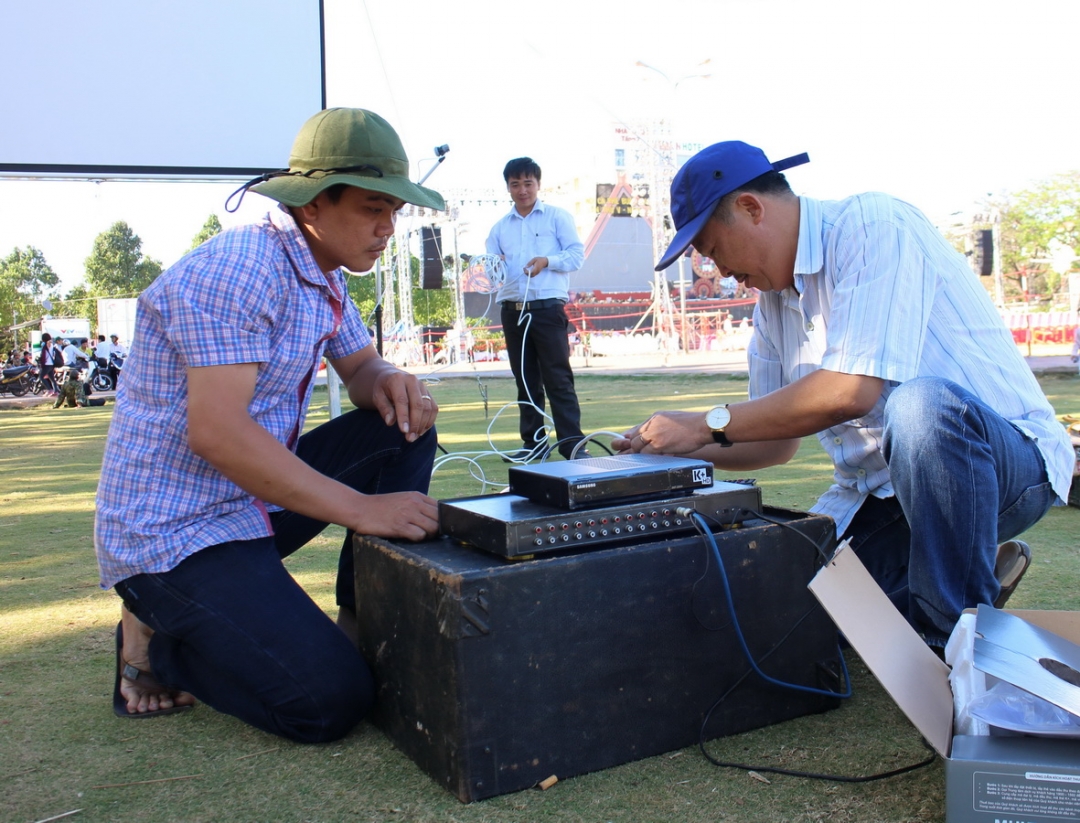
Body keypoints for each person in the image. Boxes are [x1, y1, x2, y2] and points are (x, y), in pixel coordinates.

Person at [616, 140, 1074, 649]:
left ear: (750, 208)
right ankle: (962, 568)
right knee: (784, 625)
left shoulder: (875, 227)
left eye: (712, 249)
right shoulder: (772, 305)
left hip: (1001, 465)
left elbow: (851, 390)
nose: (718, 271)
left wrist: (704, 423)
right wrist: (665, 450)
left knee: (921, 407)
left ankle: (961, 647)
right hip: (882, 494)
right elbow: (772, 444)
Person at [94, 107, 445, 742]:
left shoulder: (322, 270)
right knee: (328, 704)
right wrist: (362, 510)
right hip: (176, 533)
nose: (388, 227)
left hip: (247, 506)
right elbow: (218, 434)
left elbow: (361, 368)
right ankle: (151, 639)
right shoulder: (241, 269)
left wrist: (390, 380)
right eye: (372, 207)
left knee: (402, 424)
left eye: (394, 210)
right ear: (312, 204)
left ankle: (359, 618)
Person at [486, 157, 588, 460]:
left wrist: (547, 261)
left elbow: (576, 256)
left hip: (547, 308)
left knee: (558, 379)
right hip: (513, 309)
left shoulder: (556, 217)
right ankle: (533, 446)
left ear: (538, 184)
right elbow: (492, 274)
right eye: (515, 184)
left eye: (527, 183)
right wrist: (490, 267)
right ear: (507, 187)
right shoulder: (499, 228)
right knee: (525, 381)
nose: (522, 190)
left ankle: (573, 446)